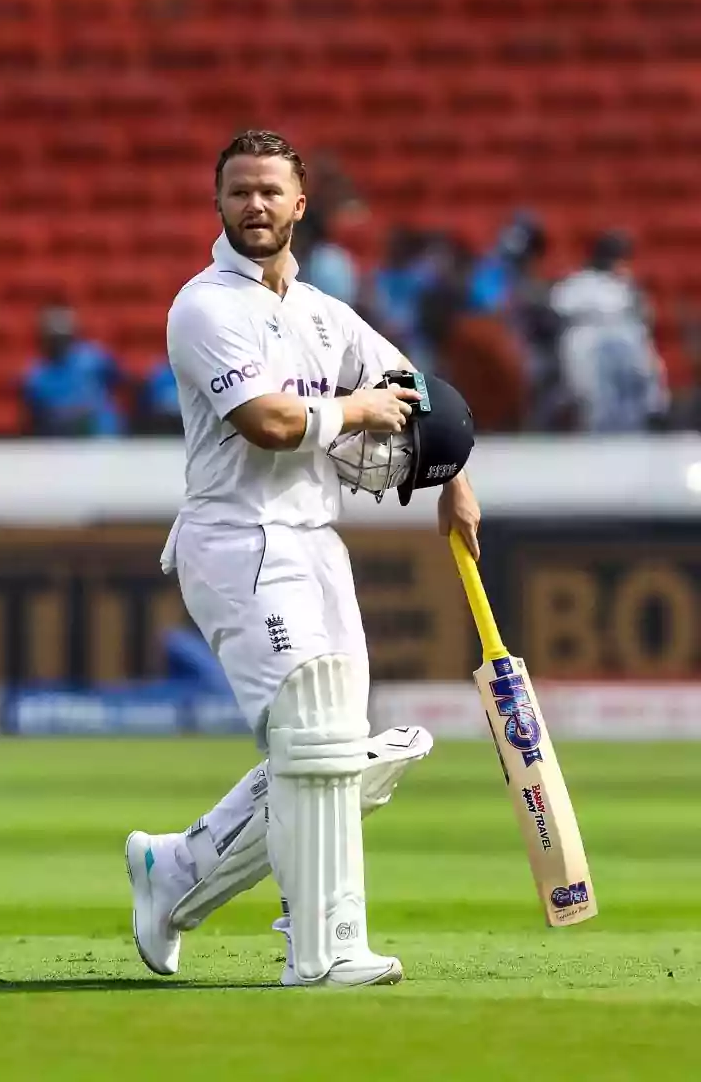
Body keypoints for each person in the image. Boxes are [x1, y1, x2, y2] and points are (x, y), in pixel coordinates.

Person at [125, 130, 480, 990]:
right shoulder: (205, 307)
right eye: (239, 190)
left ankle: (178, 869)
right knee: (319, 736)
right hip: (240, 539)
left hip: (316, 542)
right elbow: (272, 424)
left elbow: (419, 395)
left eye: (269, 191)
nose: (254, 204)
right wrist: (356, 409)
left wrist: (457, 478)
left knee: (325, 750)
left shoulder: (324, 313)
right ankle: (324, 951)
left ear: (299, 203)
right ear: (220, 203)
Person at [550, 230, 669, 433]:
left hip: (625, 337)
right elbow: (558, 309)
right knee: (594, 400)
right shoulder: (576, 285)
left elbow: (644, 319)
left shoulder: (627, 288)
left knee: (644, 379)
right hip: (585, 339)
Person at [22, 306, 124, 436]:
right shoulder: (35, 376)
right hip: (61, 442)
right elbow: (37, 416)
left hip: (102, 436)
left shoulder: (96, 358)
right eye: (54, 338)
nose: (59, 343)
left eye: (63, 337)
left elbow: (118, 384)